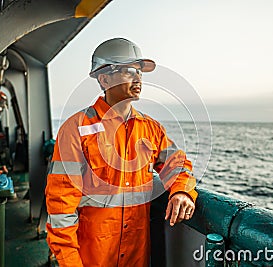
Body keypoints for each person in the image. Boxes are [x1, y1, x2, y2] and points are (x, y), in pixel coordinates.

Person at [45, 38, 198, 267]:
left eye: (139, 72)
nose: (138, 79)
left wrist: (182, 192)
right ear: (105, 79)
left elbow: (177, 164)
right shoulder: (75, 129)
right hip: (92, 259)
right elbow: (60, 210)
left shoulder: (151, 129)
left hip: (137, 256)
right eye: (128, 71)